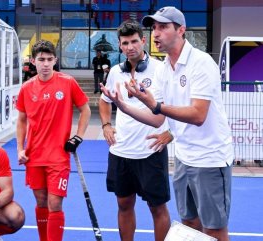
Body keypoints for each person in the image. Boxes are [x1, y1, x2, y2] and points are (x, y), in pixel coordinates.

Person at [102, 6, 234, 241]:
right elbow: (158, 119)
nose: (156, 33)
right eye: (154, 28)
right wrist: (124, 107)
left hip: (210, 158)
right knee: (189, 225)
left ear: (181, 30)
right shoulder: (165, 69)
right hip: (184, 158)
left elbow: (198, 114)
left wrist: (156, 106)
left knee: (214, 229)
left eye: (163, 27)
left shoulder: (201, 63)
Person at [99, 20, 172, 241]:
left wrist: (171, 133)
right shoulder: (114, 72)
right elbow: (104, 102)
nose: (130, 46)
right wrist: (106, 125)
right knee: (123, 204)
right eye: (125, 43)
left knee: (156, 208)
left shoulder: (162, 69)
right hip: (121, 151)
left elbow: (178, 106)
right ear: (120, 46)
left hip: (151, 150)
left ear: (143, 40)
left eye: (134, 41)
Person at [16, 40, 91, 241]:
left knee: (55, 203)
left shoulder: (67, 82)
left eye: (50, 59)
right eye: (41, 59)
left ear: (55, 60)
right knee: (41, 202)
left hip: (58, 156)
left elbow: (85, 109)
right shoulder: (26, 88)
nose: (46, 64)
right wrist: (19, 149)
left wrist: (78, 136)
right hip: (34, 156)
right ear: (33, 61)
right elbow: (21, 120)